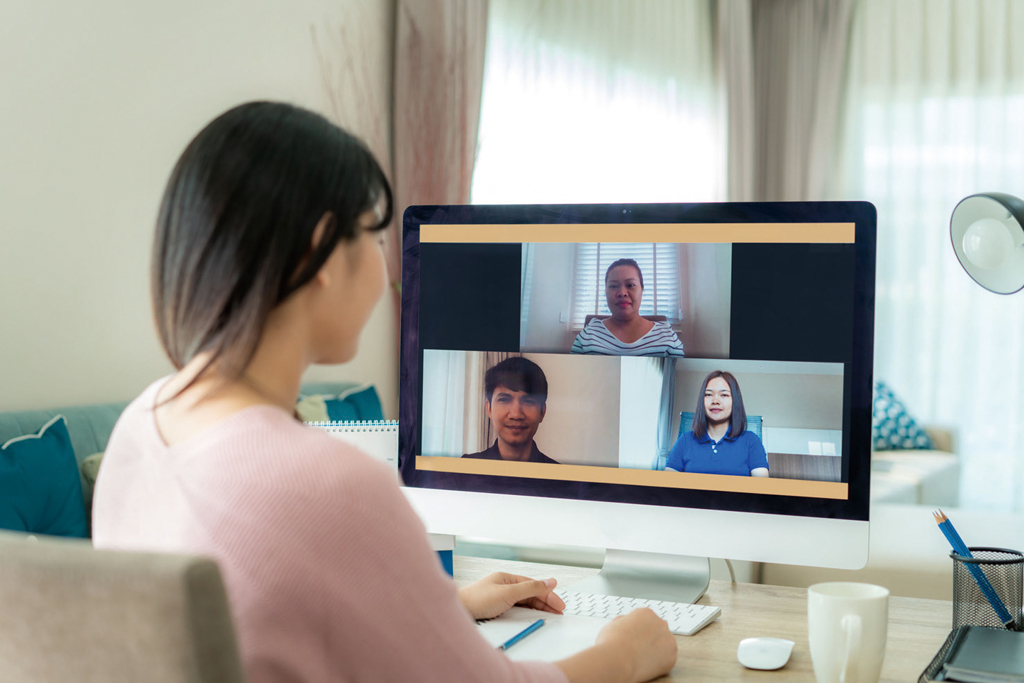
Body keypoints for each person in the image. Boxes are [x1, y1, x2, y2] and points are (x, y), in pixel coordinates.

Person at [91, 102, 676, 683]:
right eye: (373, 239)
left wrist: (439, 608)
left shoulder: (140, 426)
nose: (384, 271)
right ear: (316, 252)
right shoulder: (331, 486)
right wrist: (624, 654)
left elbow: (259, 617)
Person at [570, 258, 685, 357]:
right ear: (606, 292)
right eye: (613, 286)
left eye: (630, 285)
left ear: (642, 290)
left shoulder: (666, 335)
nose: (622, 293)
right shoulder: (589, 334)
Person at [665, 370, 769, 477]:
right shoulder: (685, 440)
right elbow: (666, 486)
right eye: (709, 394)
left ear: (735, 401)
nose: (715, 400)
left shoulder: (751, 441)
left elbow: (762, 489)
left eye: (724, 395)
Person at [462, 357, 558, 464]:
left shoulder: (561, 477)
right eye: (504, 400)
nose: (516, 414)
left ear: (542, 412)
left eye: (528, 401)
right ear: (489, 409)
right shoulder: (464, 469)